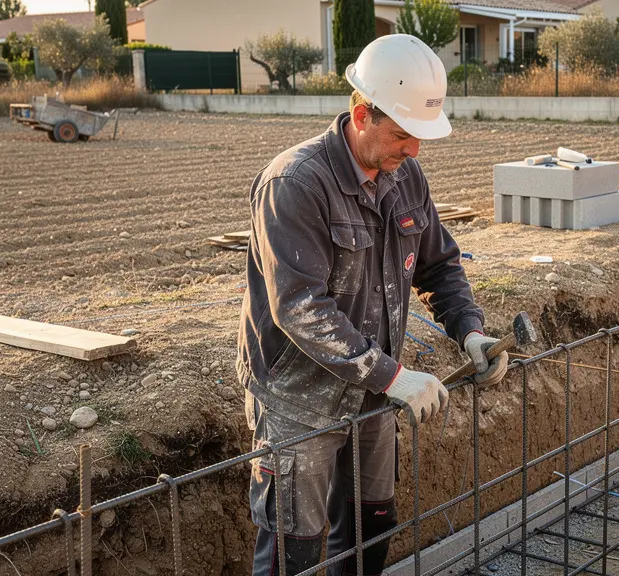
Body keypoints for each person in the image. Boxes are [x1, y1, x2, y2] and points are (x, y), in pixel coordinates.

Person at [236, 34, 508, 575]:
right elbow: (300, 308)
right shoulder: (295, 184)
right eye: (404, 134)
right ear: (362, 114)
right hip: (299, 398)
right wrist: (392, 377)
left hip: (372, 390)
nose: (414, 150)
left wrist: (469, 330)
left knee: (370, 525)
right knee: (296, 548)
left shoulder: (404, 176)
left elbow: (440, 265)